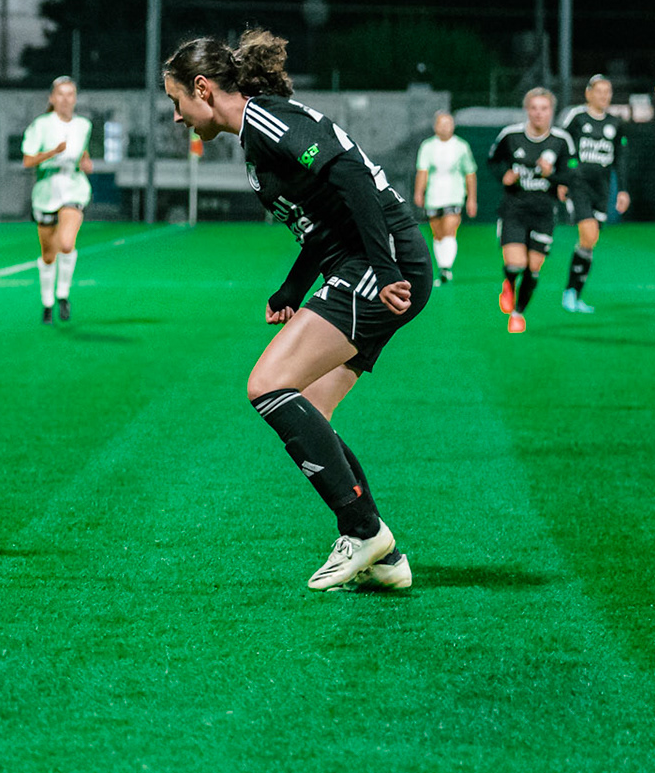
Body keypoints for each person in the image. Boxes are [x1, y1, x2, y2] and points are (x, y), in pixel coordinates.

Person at [163, 32, 424, 592]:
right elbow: (324, 220)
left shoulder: (268, 122)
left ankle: (362, 530)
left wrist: (384, 269)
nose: (178, 116)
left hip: (377, 265)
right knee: (309, 407)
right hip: (363, 264)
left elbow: (353, 175)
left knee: (267, 384)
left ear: (203, 89)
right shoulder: (256, 137)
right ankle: (385, 558)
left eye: (176, 100)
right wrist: (291, 288)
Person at [489, 88, 575, 334]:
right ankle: (508, 282)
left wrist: (555, 177)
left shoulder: (561, 140)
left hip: (544, 213)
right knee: (516, 263)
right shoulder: (511, 135)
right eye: (534, 108)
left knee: (534, 267)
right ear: (527, 110)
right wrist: (504, 176)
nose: (539, 113)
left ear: (551, 111)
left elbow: (571, 172)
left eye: (544, 108)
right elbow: (493, 161)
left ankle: (518, 313)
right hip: (514, 209)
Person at [21, 76, 93, 323]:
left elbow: (83, 152)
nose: (65, 99)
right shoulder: (41, 125)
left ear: (75, 98)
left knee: (66, 242)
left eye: (70, 94)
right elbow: (28, 160)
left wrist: (85, 161)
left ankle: (63, 295)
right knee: (49, 254)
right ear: (52, 98)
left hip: (74, 189)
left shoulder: (83, 125)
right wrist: (53, 152)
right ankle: (47, 303)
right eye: (60, 94)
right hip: (46, 192)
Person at [557, 75, 630, 313]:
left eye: (608, 92)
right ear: (588, 93)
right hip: (579, 186)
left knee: (589, 242)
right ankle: (570, 294)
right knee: (588, 234)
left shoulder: (615, 123)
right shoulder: (576, 117)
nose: (604, 96)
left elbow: (620, 158)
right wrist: (562, 179)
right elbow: (561, 147)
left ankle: (574, 294)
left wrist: (623, 190)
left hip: (602, 189)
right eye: (600, 91)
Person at [412, 110, 478, 286]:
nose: (445, 127)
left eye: (448, 123)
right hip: (434, 196)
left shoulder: (461, 146)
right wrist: (419, 192)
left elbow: (470, 173)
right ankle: (442, 266)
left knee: (450, 229)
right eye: (441, 124)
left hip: (454, 195)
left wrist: (471, 198)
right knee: (438, 233)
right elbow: (422, 171)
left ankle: (446, 268)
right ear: (435, 126)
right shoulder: (427, 146)